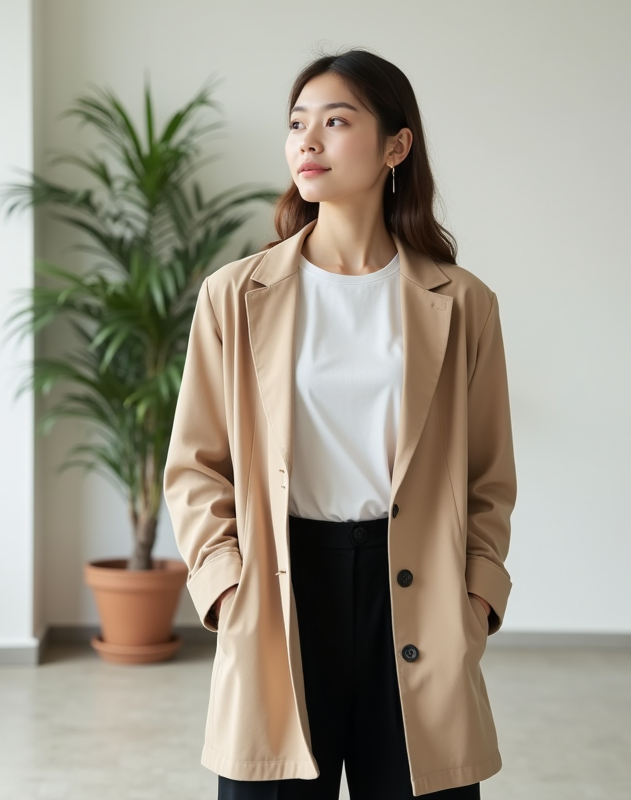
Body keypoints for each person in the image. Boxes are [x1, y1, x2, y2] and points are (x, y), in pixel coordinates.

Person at [164, 47, 516, 799]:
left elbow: (490, 476)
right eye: (297, 124)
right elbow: (194, 466)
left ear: (396, 146)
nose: (308, 141)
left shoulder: (463, 304)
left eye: (335, 120)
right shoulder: (234, 296)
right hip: (282, 587)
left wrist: (478, 599)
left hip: (417, 592)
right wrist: (226, 587)